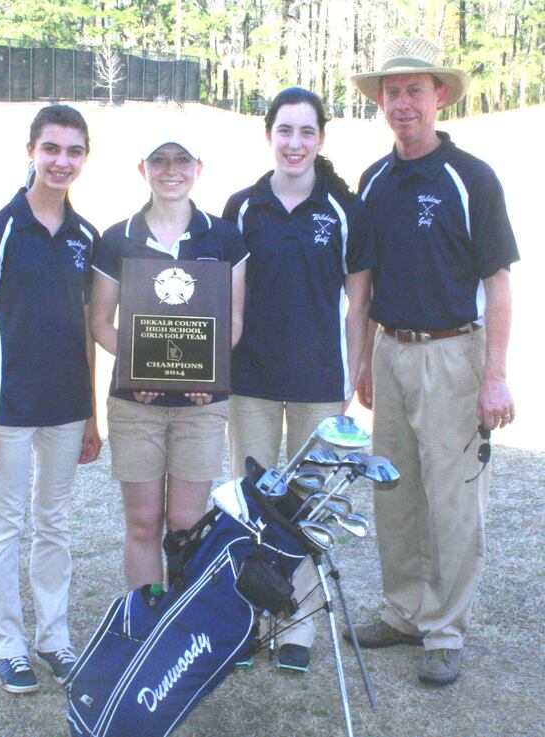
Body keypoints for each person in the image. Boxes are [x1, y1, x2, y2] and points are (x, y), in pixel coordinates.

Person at [346, 37, 520, 686]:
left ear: (439, 95)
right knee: (393, 489)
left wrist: (495, 374)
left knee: (450, 498)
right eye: (392, 93)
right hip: (391, 351)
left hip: (453, 354)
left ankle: (444, 629)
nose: (403, 104)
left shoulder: (470, 178)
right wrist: (363, 358)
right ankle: (404, 610)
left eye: (415, 90)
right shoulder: (373, 180)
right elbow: (363, 282)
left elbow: (499, 283)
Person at [223, 87, 374, 671]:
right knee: (253, 504)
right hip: (250, 380)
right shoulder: (241, 207)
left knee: (307, 507)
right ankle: (247, 619)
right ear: (269, 136)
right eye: (285, 131)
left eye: (306, 132)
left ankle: (301, 627)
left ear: (321, 139)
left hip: (318, 382)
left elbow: (358, 305)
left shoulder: (344, 212)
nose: (295, 143)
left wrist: (351, 377)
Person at [0, 104, 102, 694]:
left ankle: (53, 638)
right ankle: (8, 645)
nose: (61, 161)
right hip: (10, 407)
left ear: (84, 158)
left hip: (67, 408)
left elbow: (90, 332)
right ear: (31, 152)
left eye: (73, 151)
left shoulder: (86, 237)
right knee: (5, 524)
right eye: (51, 149)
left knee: (55, 525)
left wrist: (92, 415)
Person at [89, 129, 248, 597]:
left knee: (185, 524)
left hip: (201, 403)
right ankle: (146, 619)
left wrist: (209, 370)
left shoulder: (224, 237)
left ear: (199, 168)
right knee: (142, 523)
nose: (171, 170)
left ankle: (181, 619)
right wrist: (140, 366)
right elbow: (100, 322)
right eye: (159, 160)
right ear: (143, 170)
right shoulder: (117, 239)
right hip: (135, 402)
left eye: (182, 159)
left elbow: (232, 319)